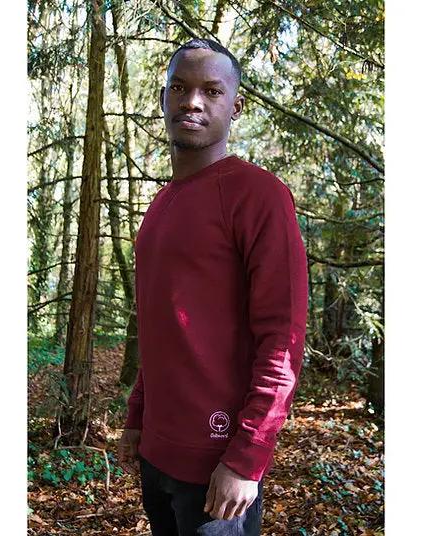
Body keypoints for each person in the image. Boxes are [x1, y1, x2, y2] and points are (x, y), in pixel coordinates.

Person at [117, 38, 308, 535]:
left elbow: (282, 338)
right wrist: (138, 416)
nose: (192, 101)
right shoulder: (161, 205)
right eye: (179, 88)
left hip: (218, 464)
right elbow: (162, 326)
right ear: (164, 98)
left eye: (211, 90)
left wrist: (248, 457)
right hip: (157, 456)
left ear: (235, 106)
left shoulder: (260, 196)